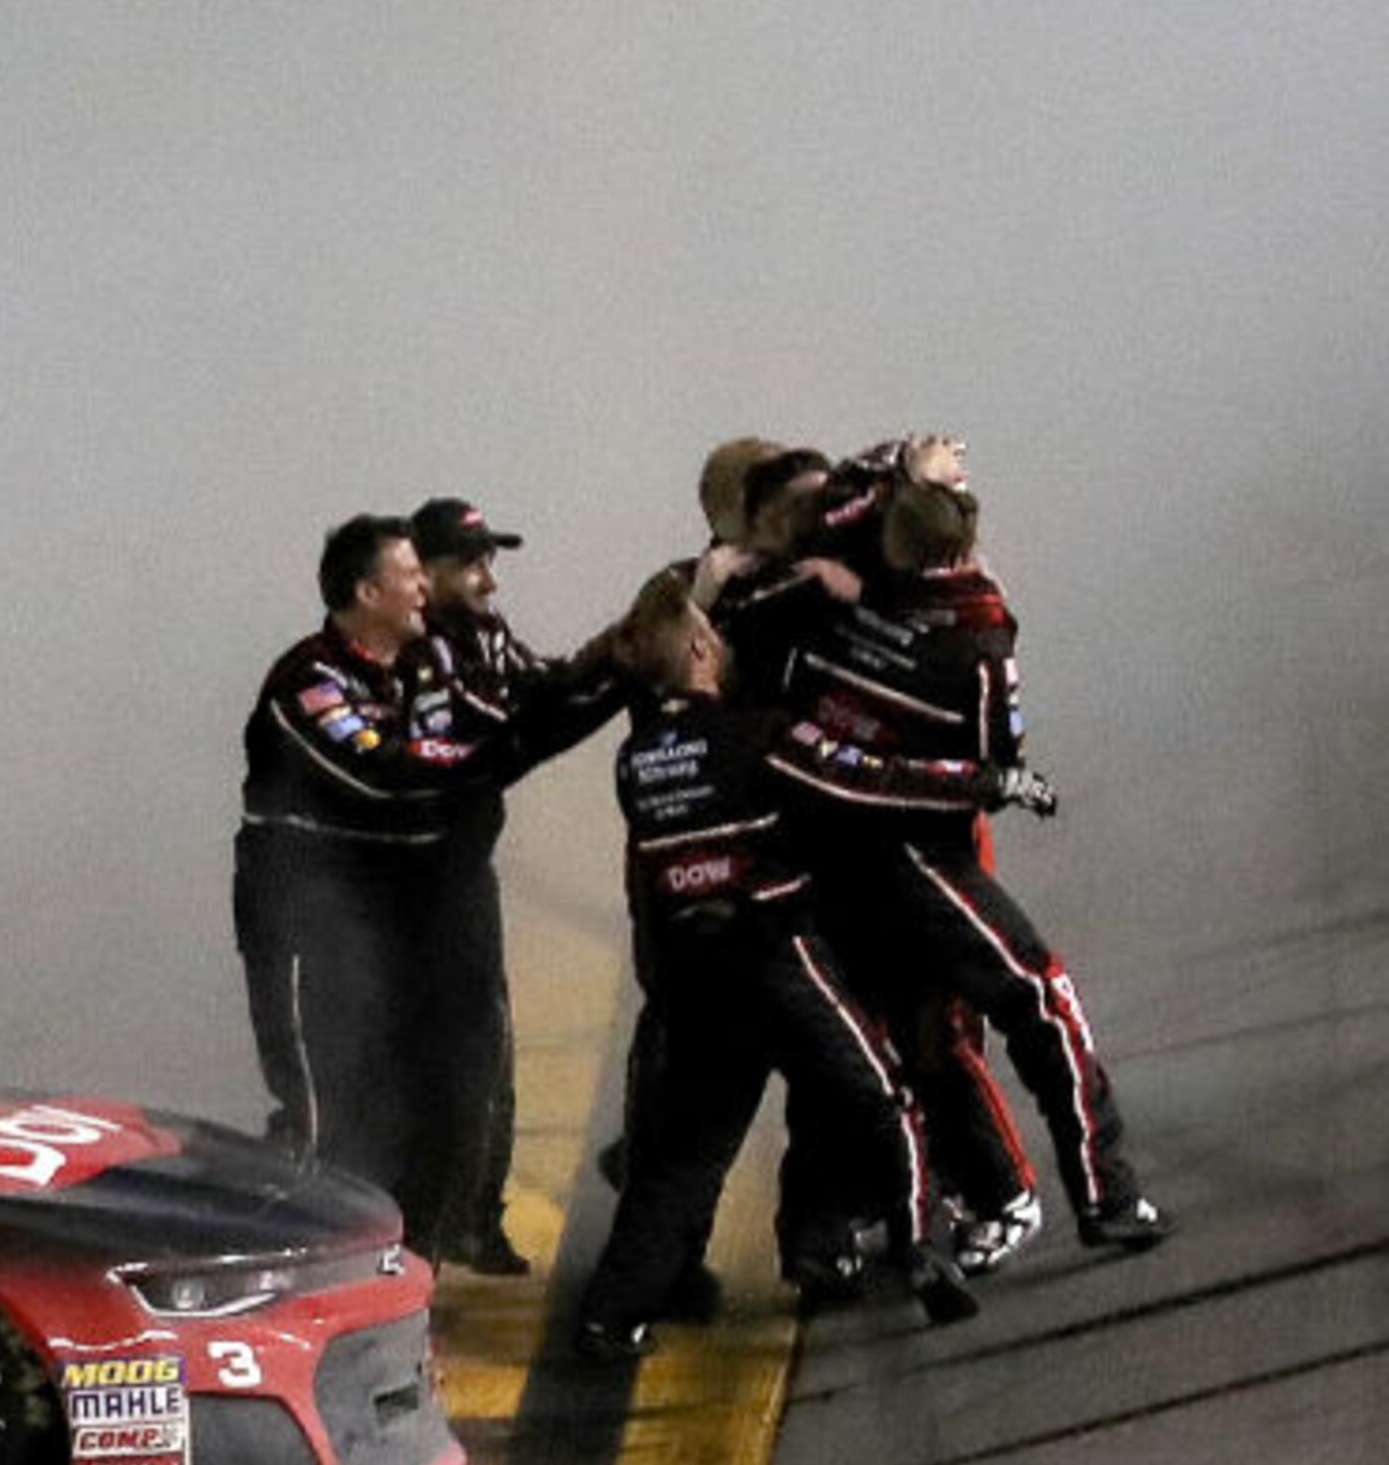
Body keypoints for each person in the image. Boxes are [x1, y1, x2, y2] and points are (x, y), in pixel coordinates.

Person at [570, 574, 998, 1359]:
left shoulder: (635, 758)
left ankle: (609, 1316)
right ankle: (919, 1253)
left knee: (684, 1157)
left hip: (694, 975)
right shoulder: (755, 733)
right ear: (699, 648)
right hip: (777, 956)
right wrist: (983, 780)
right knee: (885, 1099)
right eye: (714, 634)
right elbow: (863, 778)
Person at [771, 470, 1169, 1256]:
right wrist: (985, 780)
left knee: (916, 1042)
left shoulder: (842, 600)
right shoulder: (978, 635)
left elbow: (830, 754)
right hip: (912, 857)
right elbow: (989, 756)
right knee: (1036, 999)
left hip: (835, 861)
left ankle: (949, 1208)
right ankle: (1099, 1193)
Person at [232, 514, 491, 1247]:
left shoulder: (425, 665)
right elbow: (379, 778)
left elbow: (515, 712)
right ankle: (294, 1272)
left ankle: (405, 1276)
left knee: (427, 1102)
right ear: (368, 590)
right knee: (325, 1111)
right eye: (410, 575)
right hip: (302, 920)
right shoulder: (307, 680)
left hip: (394, 921)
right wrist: (488, 756)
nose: (423, 587)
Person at [405, 496, 627, 1271]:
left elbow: (549, 684)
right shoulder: (416, 650)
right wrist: (623, 677)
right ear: (421, 573)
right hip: (417, 884)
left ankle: (473, 1216)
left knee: (490, 1045)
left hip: (465, 870)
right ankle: (423, 1229)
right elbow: (507, 736)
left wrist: (620, 650)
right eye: (471, 564)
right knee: (453, 1053)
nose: (489, 580)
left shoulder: (484, 632)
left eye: (489, 560)